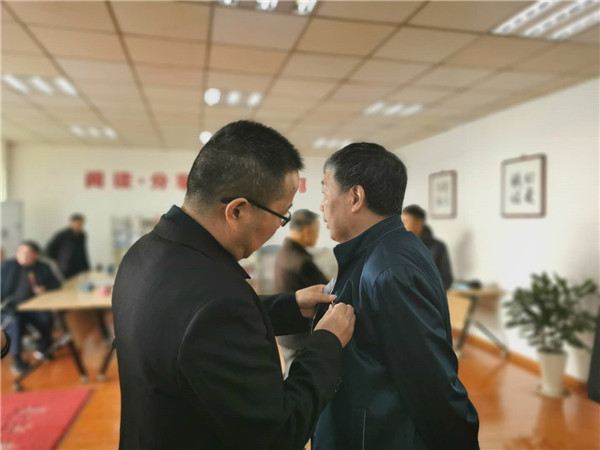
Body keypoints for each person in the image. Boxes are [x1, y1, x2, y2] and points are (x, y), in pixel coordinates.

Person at [112, 121, 355, 450]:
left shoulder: (145, 253)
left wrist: (291, 305)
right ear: (237, 210)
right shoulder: (217, 299)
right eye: (281, 215)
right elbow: (279, 432)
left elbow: (192, 329)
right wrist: (327, 342)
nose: (280, 227)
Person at [312, 143, 479, 450]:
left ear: (355, 197)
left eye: (325, 192)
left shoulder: (389, 269)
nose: (321, 205)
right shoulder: (386, 249)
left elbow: (432, 384)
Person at [275, 209, 329, 378]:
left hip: (287, 332)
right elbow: (325, 290)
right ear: (307, 231)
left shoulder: (285, 253)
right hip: (299, 336)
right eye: (316, 231)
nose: (316, 237)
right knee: (298, 379)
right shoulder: (301, 262)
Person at [1, 241, 61, 373]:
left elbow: (57, 284)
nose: (23, 255)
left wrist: (45, 289)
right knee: (14, 322)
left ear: (36, 255)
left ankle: (43, 348)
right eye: (20, 251)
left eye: (27, 252)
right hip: (10, 309)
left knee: (45, 318)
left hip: (33, 307)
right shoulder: (7, 267)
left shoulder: (43, 267)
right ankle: (17, 359)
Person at [402, 204, 454, 290]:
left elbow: (446, 279)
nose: (401, 226)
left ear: (419, 222)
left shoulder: (437, 247)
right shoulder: (399, 246)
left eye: (405, 221)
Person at [46, 213, 90, 279]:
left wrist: (87, 267)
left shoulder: (83, 235)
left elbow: (83, 251)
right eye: (76, 224)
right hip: (67, 268)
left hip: (80, 267)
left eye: (81, 224)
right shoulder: (62, 234)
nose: (78, 226)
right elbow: (48, 250)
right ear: (71, 224)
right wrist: (58, 260)